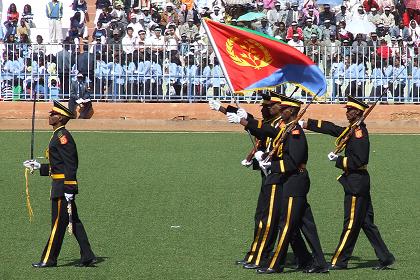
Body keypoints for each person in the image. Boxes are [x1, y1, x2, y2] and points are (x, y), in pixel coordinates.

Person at [227, 95, 328, 274]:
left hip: (295, 181)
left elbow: (293, 162)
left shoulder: (295, 132)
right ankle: (314, 261)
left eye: (284, 109)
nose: (280, 111)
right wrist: (245, 121)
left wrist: (270, 165)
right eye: (280, 109)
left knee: (286, 225)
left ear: (292, 112)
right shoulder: (286, 129)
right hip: (290, 181)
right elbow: (269, 131)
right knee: (305, 225)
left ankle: (275, 264)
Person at [302, 96, 395, 270]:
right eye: (346, 109)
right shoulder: (353, 128)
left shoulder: (359, 133)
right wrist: (307, 124)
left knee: (351, 223)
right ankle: (385, 256)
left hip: (356, 182)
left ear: (358, 112)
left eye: (349, 110)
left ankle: (339, 260)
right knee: (366, 223)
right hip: (358, 182)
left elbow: (359, 160)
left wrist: (339, 160)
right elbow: (333, 128)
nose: (347, 112)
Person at [23, 100, 96, 268]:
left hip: (63, 187)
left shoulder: (63, 137)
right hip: (59, 185)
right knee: (74, 222)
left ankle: (49, 259)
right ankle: (87, 256)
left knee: (57, 223)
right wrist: (39, 166)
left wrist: (70, 187)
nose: (50, 116)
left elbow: (71, 164)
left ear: (61, 118)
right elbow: (58, 166)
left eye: (54, 114)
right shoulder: (57, 135)